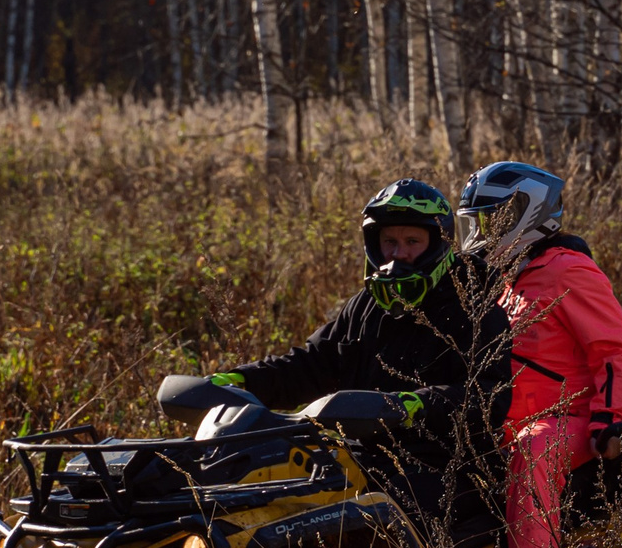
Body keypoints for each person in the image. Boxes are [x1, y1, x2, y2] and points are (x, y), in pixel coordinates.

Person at [209, 179, 511, 515]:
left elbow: (490, 395)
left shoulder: (475, 308)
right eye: (389, 242)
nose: (399, 253)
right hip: (354, 458)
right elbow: (313, 364)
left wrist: (412, 406)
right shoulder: (366, 305)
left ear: (438, 244)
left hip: (442, 469)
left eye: (412, 241)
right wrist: (242, 382)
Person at [457, 161, 622, 548]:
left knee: (534, 446)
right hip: (513, 419)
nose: (485, 230)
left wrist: (609, 420)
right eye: (479, 219)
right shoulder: (505, 281)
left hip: (568, 419)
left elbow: (615, 351)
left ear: (529, 212)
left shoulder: (569, 269)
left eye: (496, 217)